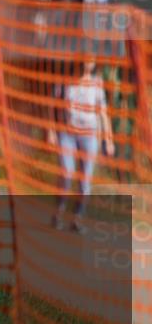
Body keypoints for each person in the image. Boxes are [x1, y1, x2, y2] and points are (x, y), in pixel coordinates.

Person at [47, 57, 115, 232]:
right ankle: (58, 213)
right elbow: (52, 105)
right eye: (86, 57)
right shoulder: (65, 80)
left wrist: (108, 139)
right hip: (67, 133)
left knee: (85, 181)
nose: (89, 61)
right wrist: (51, 130)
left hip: (89, 136)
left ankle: (78, 219)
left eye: (92, 58)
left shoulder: (97, 83)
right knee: (67, 174)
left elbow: (103, 113)